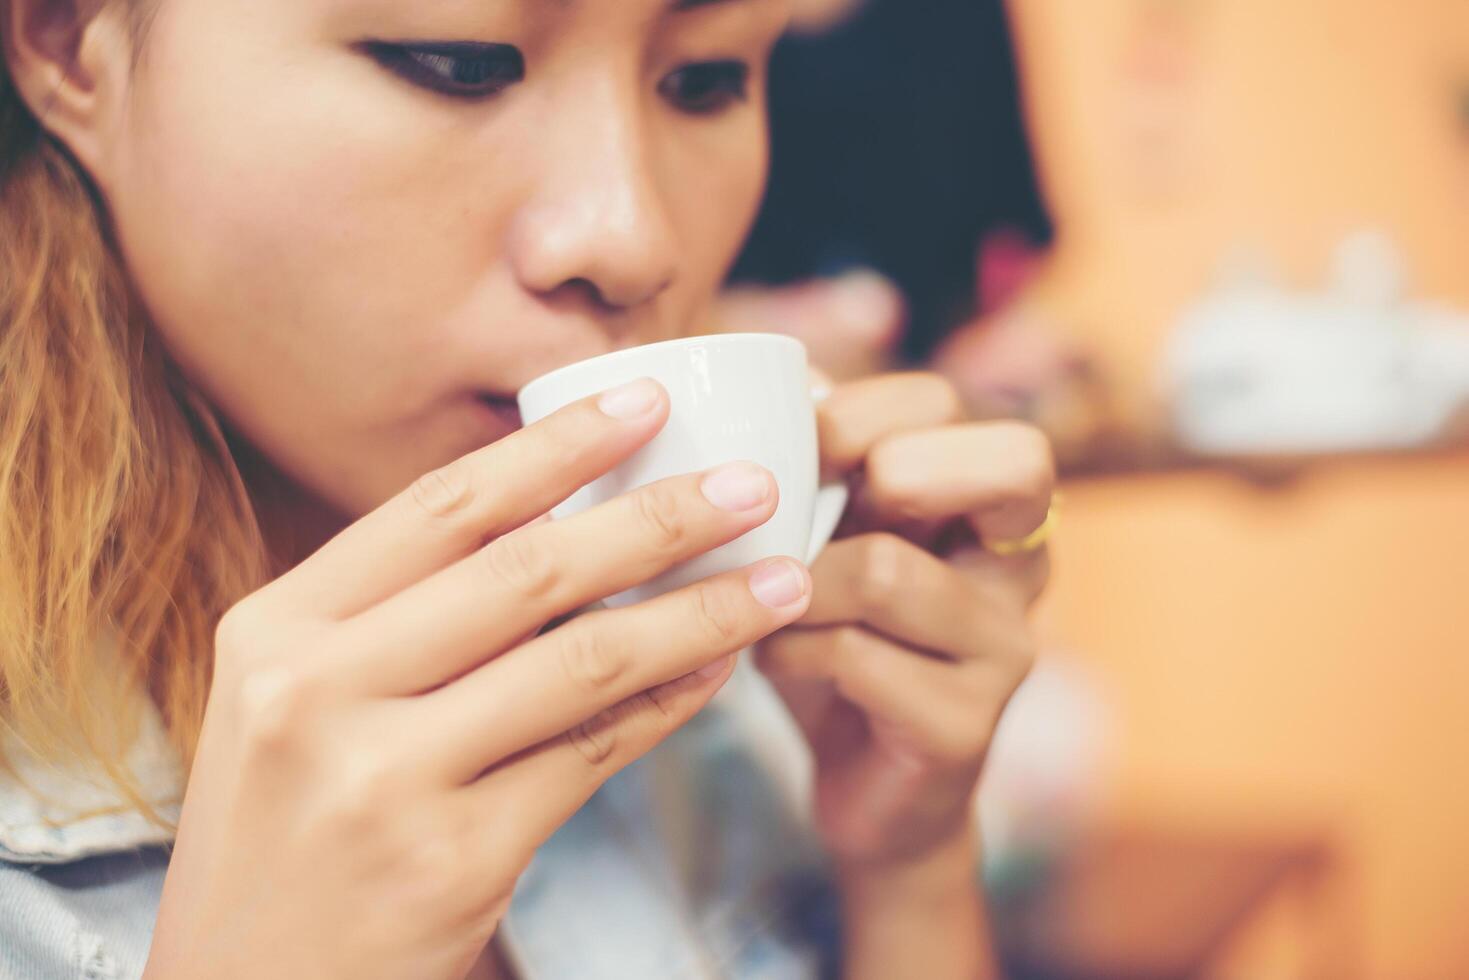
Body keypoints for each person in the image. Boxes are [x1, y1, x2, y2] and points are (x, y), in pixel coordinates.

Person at [0, 1, 1054, 977]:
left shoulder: (720, 665)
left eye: (703, 80)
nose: (634, 241)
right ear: (63, 36)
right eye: (457, 63)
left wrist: (907, 868)